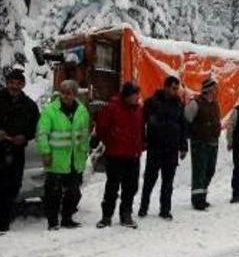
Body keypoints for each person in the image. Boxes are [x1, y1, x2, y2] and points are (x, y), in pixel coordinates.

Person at [0, 69, 39, 236]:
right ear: (7, 83)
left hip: (17, 152)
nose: (14, 86)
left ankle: (4, 221)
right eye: (11, 82)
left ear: (23, 85)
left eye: (18, 83)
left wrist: (25, 136)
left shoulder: (29, 105)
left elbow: (35, 127)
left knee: (13, 187)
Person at [37, 79, 91, 230]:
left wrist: (85, 151)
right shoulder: (50, 111)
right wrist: (45, 152)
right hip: (56, 160)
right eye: (64, 93)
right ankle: (53, 222)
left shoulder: (82, 111)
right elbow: (42, 134)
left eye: (70, 93)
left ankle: (67, 218)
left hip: (75, 159)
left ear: (75, 94)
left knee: (74, 193)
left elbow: (85, 133)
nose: (66, 96)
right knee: (53, 194)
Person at [95, 82, 144, 229]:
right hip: (116, 154)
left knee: (131, 187)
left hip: (133, 155)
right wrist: (110, 141)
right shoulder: (112, 108)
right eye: (135, 95)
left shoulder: (139, 110)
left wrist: (141, 145)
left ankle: (126, 215)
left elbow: (141, 130)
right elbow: (101, 128)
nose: (137, 98)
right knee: (112, 187)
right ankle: (106, 217)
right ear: (127, 95)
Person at [139, 76, 188, 220]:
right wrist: (143, 141)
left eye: (177, 88)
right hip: (156, 147)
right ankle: (143, 207)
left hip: (172, 149)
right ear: (166, 87)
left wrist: (183, 146)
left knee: (168, 182)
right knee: (149, 180)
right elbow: (142, 123)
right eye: (173, 88)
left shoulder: (178, 104)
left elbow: (183, 126)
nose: (175, 91)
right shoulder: (152, 102)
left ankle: (165, 209)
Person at [185, 78, 222, 210]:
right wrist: (192, 134)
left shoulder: (215, 104)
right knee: (199, 171)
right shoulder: (195, 103)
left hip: (213, 142)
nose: (217, 90)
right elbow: (187, 119)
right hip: (199, 143)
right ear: (209, 89)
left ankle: (203, 196)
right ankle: (197, 200)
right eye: (215, 88)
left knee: (209, 170)